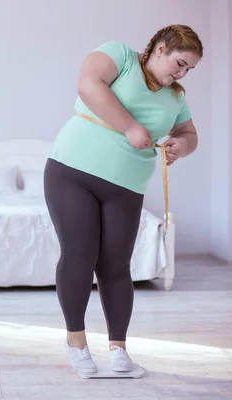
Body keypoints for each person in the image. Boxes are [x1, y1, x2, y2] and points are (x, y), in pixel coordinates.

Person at [44, 25, 203, 374]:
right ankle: (77, 343)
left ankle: (118, 350)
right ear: (160, 49)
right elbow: (87, 84)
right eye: (179, 63)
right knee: (80, 253)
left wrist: (182, 145)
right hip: (72, 170)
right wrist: (131, 127)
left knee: (116, 265)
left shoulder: (175, 97)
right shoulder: (121, 56)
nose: (181, 73)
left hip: (126, 186)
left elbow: (189, 134)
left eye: (188, 69)